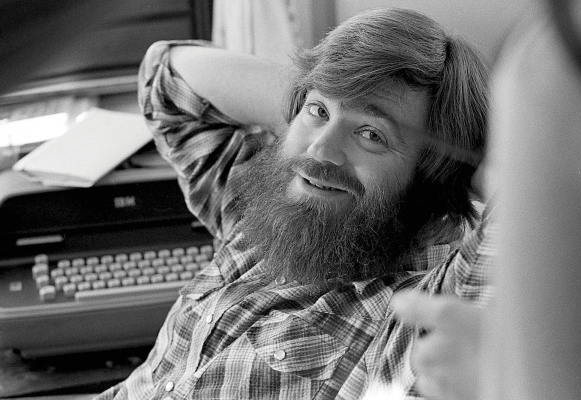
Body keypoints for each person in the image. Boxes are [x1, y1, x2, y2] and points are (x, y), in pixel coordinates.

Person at [93, 7, 492, 400]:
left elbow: (520, 212)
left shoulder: (417, 313)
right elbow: (166, 76)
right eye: (318, 112)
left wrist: (459, 170)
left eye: (372, 135)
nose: (321, 149)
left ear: (433, 184)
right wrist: (317, 88)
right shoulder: (276, 209)